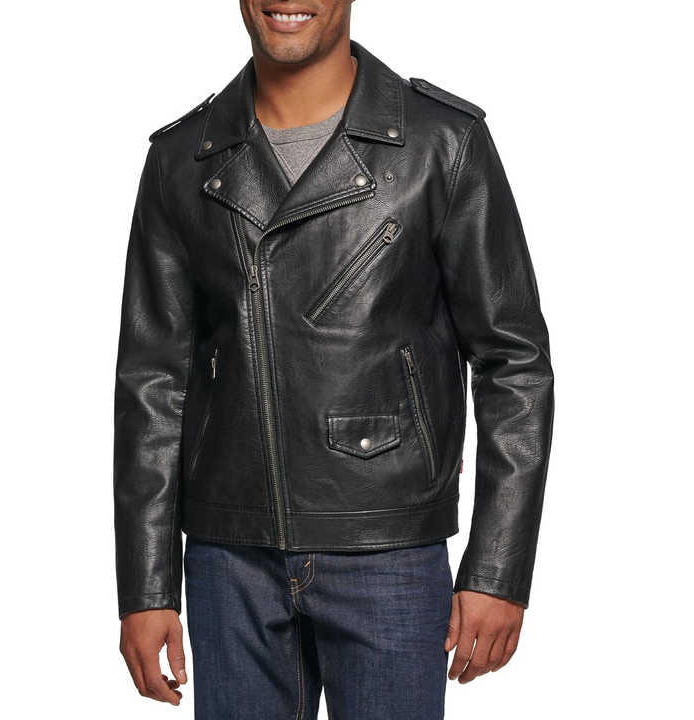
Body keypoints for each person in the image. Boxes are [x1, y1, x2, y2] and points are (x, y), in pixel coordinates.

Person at [113, 1, 555, 717]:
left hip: (389, 546)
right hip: (229, 555)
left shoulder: (442, 142)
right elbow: (153, 381)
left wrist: (497, 568)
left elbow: (514, 363)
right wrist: (146, 586)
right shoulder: (179, 157)